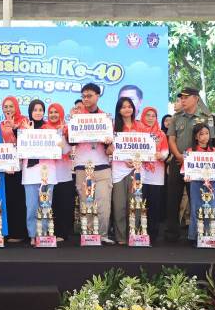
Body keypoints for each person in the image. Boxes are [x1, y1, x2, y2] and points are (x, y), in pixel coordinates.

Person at [165, 87, 214, 243]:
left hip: (197, 164)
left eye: (186, 97)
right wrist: (179, 156)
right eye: (181, 98)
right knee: (173, 198)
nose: (183, 100)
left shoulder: (206, 118)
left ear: (196, 99)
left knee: (197, 199)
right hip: (177, 161)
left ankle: (197, 232)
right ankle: (171, 234)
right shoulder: (176, 117)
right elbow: (171, 139)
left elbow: (210, 140)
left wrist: (193, 158)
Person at [72, 83, 115, 245]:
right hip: (82, 165)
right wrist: (71, 125)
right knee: (85, 202)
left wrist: (110, 144)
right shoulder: (76, 117)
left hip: (102, 166)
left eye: (89, 96)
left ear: (98, 96)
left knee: (103, 203)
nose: (86, 99)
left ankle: (102, 234)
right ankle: (88, 234)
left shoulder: (105, 118)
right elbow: (70, 140)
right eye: (83, 96)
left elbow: (111, 147)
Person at [106, 97, 143, 245]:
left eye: (129, 106)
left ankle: (134, 235)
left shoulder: (140, 126)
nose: (127, 109)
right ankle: (121, 237)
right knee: (119, 205)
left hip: (136, 169)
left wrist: (136, 160)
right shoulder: (113, 127)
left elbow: (147, 148)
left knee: (134, 204)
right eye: (123, 107)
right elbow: (108, 150)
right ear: (119, 110)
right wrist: (117, 153)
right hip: (118, 170)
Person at [22, 100, 58, 245]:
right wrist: (28, 133)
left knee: (46, 206)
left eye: (41, 110)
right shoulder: (23, 129)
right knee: (31, 206)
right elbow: (20, 149)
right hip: (30, 174)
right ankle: (33, 234)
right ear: (30, 111)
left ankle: (44, 234)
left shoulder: (50, 129)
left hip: (47, 173)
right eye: (35, 110)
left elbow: (58, 148)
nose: (38, 112)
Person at [183, 123, 215, 243]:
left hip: (212, 184)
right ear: (196, 137)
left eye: (207, 133)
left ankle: (210, 234)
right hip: (196, 184)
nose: (205, 136)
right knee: (196, 208)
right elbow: (185, 170)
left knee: (211, 209)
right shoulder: (190, 152)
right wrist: (186, 176)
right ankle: (194, 236)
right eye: (201, 134)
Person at [0, 96, 29, 242]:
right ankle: (8, 232)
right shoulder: (0, 124)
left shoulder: (24, 121)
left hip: (21, 166)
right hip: (5, 167)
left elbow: (27, 141)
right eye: (5, 107)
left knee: (19, 199)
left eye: (11, 106)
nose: (8, 109)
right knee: (8, 199)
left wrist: (15, 128)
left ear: (16, 106)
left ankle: (19, 233)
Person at [44, 103, 74, 241]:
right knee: (50, 204)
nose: (53, 114)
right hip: (48, 174)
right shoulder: (44, 130)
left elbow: (66, 150)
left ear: (61, 113)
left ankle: (62, 233)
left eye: (56, 112)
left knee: (64, 204)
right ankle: (49, 232)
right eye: (51, 112)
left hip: (64, 173)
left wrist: (62, 135)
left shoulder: (67, 129)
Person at [138, 106, 168, 242]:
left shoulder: (161, 134)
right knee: (140, 204)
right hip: (140, 173)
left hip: (156, 175)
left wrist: (161, 155)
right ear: (143, 116)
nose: (150, 118)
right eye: (148, 115)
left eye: (153, 116)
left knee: (154, 205)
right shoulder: (137, 133)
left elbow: (166, 152)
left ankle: (153, 233)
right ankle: (139, 231)